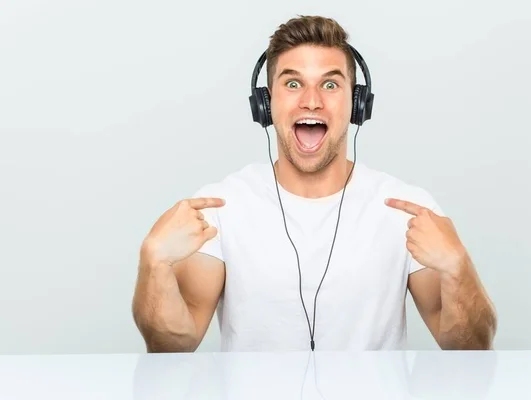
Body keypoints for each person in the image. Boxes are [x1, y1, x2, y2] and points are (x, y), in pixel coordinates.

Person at [131, 15, 497, 353]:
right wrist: (154, 261)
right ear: (265, 102)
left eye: (330, 84)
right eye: (292, 83)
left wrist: (457, 267)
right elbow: (172, 344)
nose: (311, 101)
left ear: (356, 104)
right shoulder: (220, 208)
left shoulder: (407, 210)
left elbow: (470, 346)